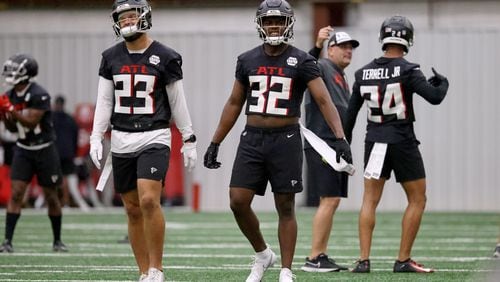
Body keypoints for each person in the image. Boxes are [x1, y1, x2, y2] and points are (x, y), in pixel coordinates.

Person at [203, 1, 352, 281]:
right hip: (252, 138)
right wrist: (215, 141)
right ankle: (262, 253)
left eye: (280, 21)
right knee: (237, 200)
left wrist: (339, 137)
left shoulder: (303, 60)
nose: (274, 26)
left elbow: (323, 99)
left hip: (286, 138)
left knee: (285, 205)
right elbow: (235, 102)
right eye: (270, 21)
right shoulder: (247, 59)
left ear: (289, 24)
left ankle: (286, 269)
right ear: (260, 24)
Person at [89, 0, 197, 281]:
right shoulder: (110, 56)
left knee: (149, 199)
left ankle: (156, 268)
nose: (126, 22)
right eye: (121, 18)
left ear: (145, 17)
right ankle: (142, 272)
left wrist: (189, 137)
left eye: (131, 17)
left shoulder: (166, 56)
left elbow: (177, 100)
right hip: (122, 136)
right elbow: (104, 100)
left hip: (155, 134)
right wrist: (96, 135)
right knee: (132, 208)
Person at [343, 15, 449, 273]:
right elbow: (434, 97)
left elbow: (350, 115)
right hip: (402, 141)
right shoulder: (409, 70)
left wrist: (343, 145)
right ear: (407, 39)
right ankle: (402, 260)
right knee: (417, 199)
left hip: (375, 141)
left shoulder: (362, 73)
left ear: (383, 38)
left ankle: (363, 260)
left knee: (369, 200)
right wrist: (443, 83)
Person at [301, 27, 359, 273]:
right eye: (343, 46)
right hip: (321, 141)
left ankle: (320, 254)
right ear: (330, 49)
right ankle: (315, 257)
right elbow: (305, 68)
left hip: (333, 144)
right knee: (329, 199)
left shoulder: (340, 74)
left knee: (332, 200)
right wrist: (316, 46)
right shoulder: (322, 66)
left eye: (351, 47)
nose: (348, 51)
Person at [0, 53, 67, 253]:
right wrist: (5, 116)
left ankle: (57, 240)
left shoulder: (40, 94)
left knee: (51, 197)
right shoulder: (11, 95)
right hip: (23, 149)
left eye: (15, 70)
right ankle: (7, 242)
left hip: (45, 149)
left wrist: (11, 110)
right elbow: (13, 129)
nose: (10, 74)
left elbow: (31, 121)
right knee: (16, 194)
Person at [52, 95, 88, 210]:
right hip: (68, 153)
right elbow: (75, 136)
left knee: (57, 179)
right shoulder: (70, 119)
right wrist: (73, 151)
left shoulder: (51, 118)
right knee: (68, 179)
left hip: (56, 153)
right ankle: (67, 202)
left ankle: (62, 202)